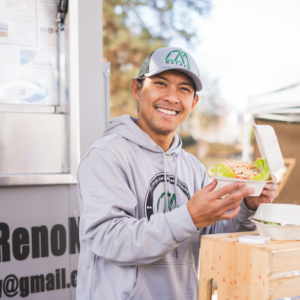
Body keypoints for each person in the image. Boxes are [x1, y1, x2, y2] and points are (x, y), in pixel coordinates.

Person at [76, 47, 278, 300]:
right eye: (160, 83)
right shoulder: (107, 155)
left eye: (184, 89)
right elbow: (109, 238)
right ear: (137, 89)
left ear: (193, 102)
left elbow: (215, 236)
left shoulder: (192, 166)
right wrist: (189, 217)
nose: (172, 97)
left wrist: (249, 206)